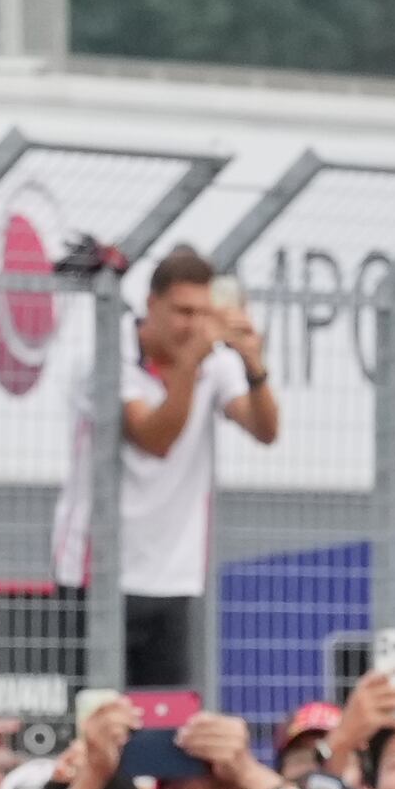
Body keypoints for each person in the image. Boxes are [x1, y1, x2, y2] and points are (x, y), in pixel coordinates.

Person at [54, 252, 275, 696]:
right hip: (97, 573)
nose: (193, 326)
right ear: (151, 304)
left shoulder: (214, 363)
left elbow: (264, 430)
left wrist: (254, 365)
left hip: (174, 575)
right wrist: (191, 366)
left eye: (203, 313)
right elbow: (155, 439)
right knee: (96, 718)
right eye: (182, 312)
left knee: (165, 721)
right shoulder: (107, 355)